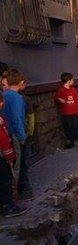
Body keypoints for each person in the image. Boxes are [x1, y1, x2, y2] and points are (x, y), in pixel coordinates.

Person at [2, 69, 32, 201]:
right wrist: (22, 136)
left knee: (11, 164)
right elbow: (17, 118)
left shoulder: (4, 95)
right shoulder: (18, 98)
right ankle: (21, 190)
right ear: (20, 82)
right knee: (19, 163)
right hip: (15, 134)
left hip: (6, 133)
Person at [0, 93, 26, 218]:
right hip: (2, 156)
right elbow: (3, 140)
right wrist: (9, 155)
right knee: (5, 179)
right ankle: (7, 206)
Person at [54, 72, 78, 149]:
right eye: (72, 80)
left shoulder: (73, 90)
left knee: (76, 126)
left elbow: (76, 99)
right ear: (69, 81)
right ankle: (70, 141)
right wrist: (59, 99)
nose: (73, 81)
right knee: (67, 128)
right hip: (65, 113)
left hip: (73, 112)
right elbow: (56, 98)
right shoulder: (61, 90)